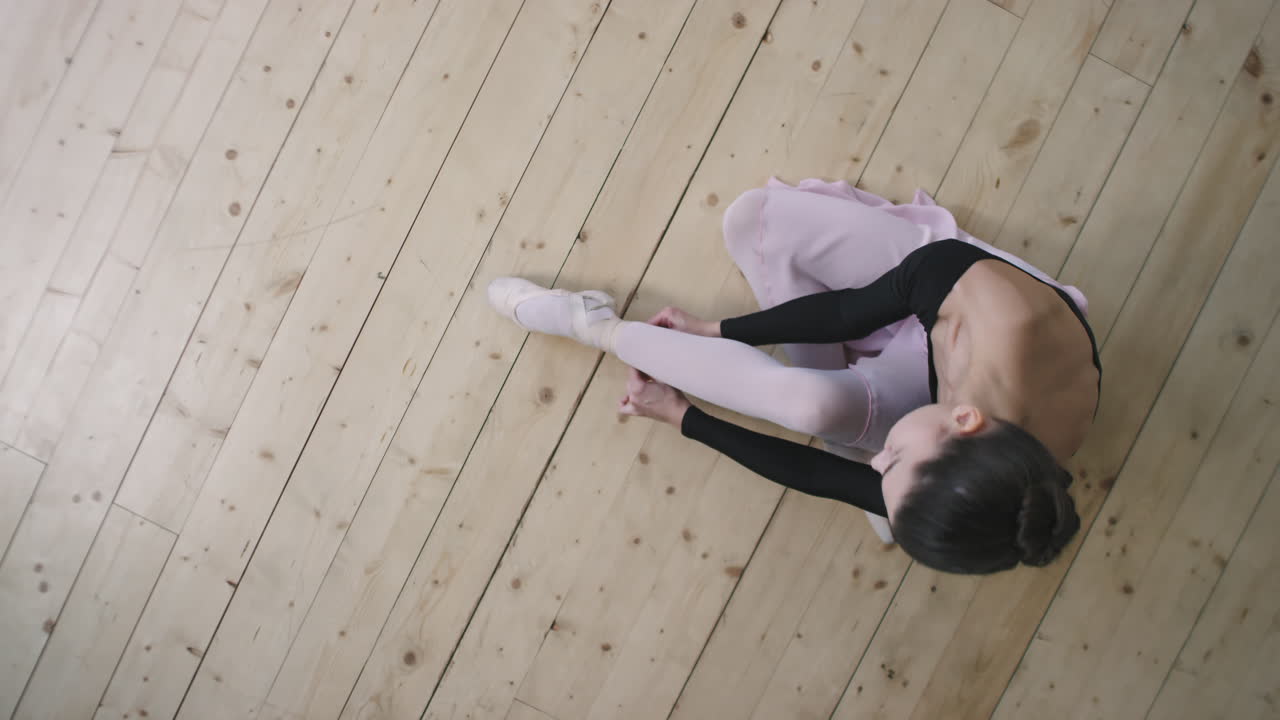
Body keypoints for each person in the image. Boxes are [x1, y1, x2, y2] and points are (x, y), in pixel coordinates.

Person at [487, 178, 1100, 575]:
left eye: (879, 471)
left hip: (932, 385)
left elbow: (824, 477)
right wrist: (715, 331)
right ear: (965, 424)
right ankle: (603, 324)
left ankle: (588, 324)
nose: (876, 465)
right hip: (944, 300)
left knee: (809, 406)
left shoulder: (976, 485)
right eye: (892, 461)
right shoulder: (995, 314)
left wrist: (683, 417)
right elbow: (848, 310)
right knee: (748, 219)